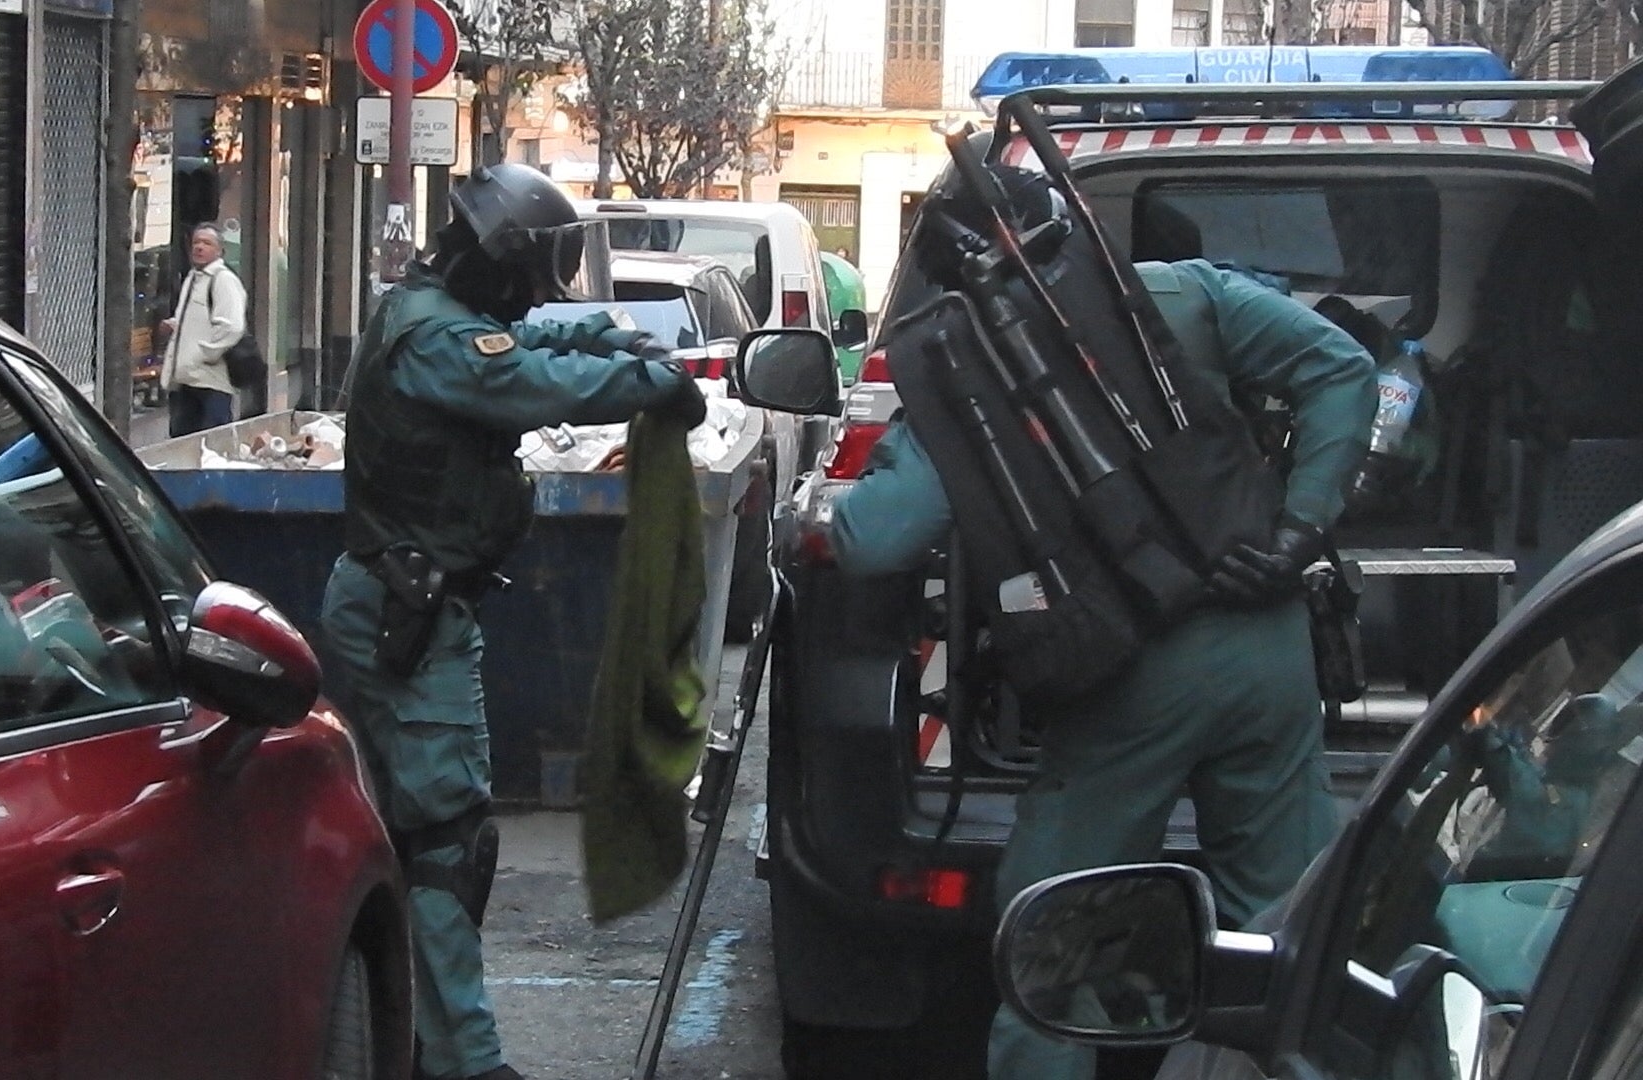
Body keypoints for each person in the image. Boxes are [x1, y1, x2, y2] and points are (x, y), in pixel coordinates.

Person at [826, 168, 1377, 1080]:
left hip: (1125, 674)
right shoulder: (1184, 294)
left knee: (1056, 939)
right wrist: (1296, 532)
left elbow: (877, 543)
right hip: (1267, 648)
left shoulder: (965, 362)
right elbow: (1344, 368)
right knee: (1282, 938)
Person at [320, 163, 705, 1080]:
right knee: (446, 845)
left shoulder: (427, 309)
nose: (529, 299)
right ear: (498, 263)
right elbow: (527, 382)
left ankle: (413, 1040)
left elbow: (519, 337)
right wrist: (647, 386)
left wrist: (606, 329)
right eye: (527, 281)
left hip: (408, 606)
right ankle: (463, 1062)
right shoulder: (433, 344)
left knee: (426, 837)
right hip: (407, 616)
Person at [159, 222, 245, 437]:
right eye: (196, 242)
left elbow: (232, 327)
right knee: (181, 445)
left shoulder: (223, 280)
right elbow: (195, 321)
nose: (199, 247)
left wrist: (205, 354)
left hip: (210, 383)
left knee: (211, 447)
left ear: (219, 250)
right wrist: (174, 326)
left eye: (206, 243)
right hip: (185, 381)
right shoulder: (193, 278)